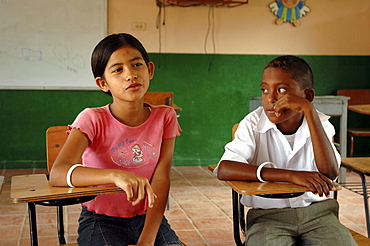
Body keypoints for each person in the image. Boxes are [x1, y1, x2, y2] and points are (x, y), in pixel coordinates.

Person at [49, 33, 183, 246]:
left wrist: (147, 239)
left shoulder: (165, 116)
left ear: (149, 70)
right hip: (100, 221)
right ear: (103, 83)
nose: (130, 75)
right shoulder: (92, 119)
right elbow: (58, 173)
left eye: (136, 64)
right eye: (118, 70)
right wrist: (115, 175)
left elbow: (161, 178)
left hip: (148, 219)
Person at [214, 55, 356, 245]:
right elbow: (224, 169)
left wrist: (310, 112)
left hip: (319, 214)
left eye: (281, 90)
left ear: (307, 96)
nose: (270, 98)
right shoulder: (252, 123)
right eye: (264, 90)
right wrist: (291, 175)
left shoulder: (321, 123)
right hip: (267, 216)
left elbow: (330, 172)